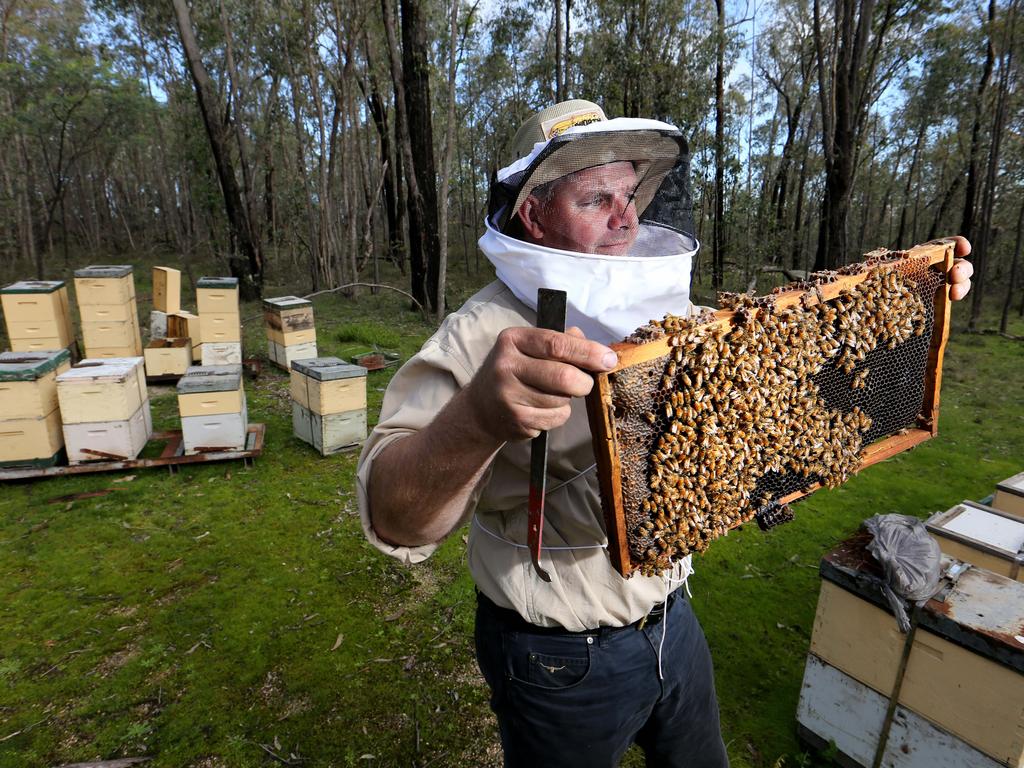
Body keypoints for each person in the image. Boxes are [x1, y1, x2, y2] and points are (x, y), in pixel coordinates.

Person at [355, 100, 974, 767]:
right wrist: (476, 417)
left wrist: (906, 306)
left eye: (629, 196)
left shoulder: (669, 314)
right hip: (557, 653)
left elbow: (788, 387)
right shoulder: (479, 335)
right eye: (596, 199)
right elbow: (395, 514)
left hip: (674, 619)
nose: (625, 219)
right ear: (533, 213)